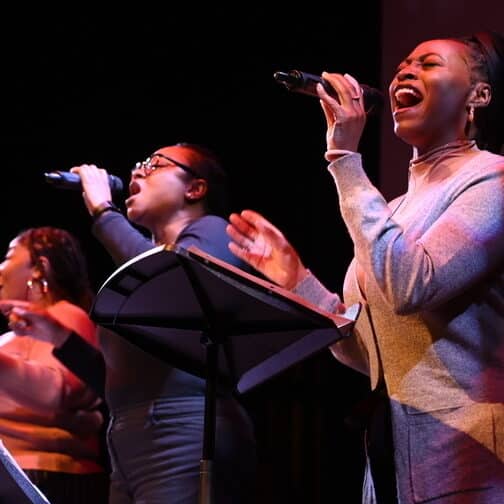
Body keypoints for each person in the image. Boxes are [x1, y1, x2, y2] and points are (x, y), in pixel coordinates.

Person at [225, 31, 504, 503]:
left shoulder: (493, 180)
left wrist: (345, 160)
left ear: (478, 95)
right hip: (392, 455)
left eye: (429, 63)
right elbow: (366, 352)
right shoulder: (390, 210)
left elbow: (411, 285)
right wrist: (297, 279)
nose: (405, 70)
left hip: (467, 457)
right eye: (403, 64)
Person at [2, 143, 257, 503]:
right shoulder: (139, 264)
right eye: (138, 164)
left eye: (154, 165)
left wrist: (104, 211)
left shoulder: (214, 231)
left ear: (195, 189)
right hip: (128, 437)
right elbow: (111, 382)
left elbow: (173, 285)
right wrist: (59, 337)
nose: (137, 172)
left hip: (181, 427)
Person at [0, 226, 109, 504]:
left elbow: (53, 394)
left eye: (8, 256)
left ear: (39, 267)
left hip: (44, 477)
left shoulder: (66, 316)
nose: (0, 268)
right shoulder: (8, 339)